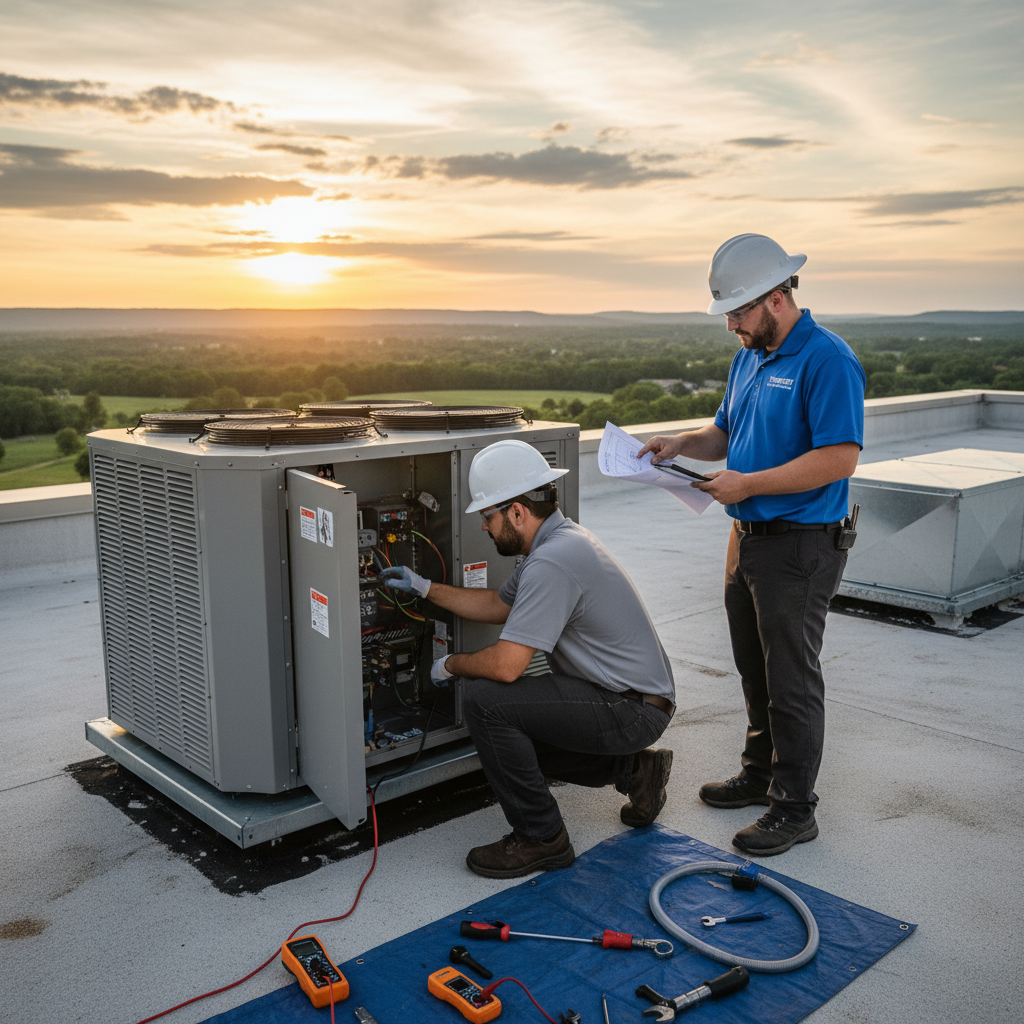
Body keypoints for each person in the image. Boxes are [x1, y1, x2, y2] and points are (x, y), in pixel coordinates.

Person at [639, 233, 866, 857]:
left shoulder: (827, 359)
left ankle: (794, 808)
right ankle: (759, 772)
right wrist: (681, 443)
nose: (731, 324)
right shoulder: (750, 357)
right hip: (747, 538)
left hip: (801, 544)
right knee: (753, 663)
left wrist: (749, 484)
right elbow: (724, 432)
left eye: (738, 311)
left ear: (776, 297)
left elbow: (840, 457)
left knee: (790, 676)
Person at [380, 439, 676, 879]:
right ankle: (635, 770)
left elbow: (506, 667)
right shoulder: (556, 542)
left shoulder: (551, 562)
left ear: (517, 512)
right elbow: (499, 607)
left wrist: (450, 665)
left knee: (486, 701)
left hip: (630, 708)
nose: (483, 527)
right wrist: (425, 588)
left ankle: (543, 838)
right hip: (630, 698)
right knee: (512, 738)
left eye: (488, 516)